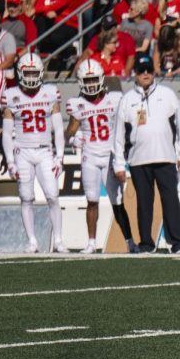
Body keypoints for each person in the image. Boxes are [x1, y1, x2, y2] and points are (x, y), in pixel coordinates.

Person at [112, 53, 180, 254]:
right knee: (144, 202)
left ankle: (178, 243)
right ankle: (146, 243)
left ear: (153, 72)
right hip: (138, 159)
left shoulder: (167, 94)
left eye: (148, 70)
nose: (145, 74)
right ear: (135, 73)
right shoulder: (127, 100)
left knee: (170, 199)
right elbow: (118, 135)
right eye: (140, 70)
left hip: (165, 156)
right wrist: (119, 165)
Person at [2, 51, 65, 253]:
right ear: (20, 74)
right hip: (22, 152)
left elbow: (58, 128)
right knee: (26, 197)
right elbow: (6, 132)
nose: (30, 78)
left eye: (33, 73)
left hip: (45, 150)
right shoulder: (11, 96)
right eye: (27, 74)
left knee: (53, 195)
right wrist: (10, 161)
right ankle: (32, 241)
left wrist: (60, 156)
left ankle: (58, 240)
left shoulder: (50, 92)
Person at [65, 58, 130, 253]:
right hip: (90, 157)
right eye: (88, 80)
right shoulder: (77, 104)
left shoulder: (115, 99)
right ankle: (91, 242)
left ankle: (129, 241)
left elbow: (124, 126)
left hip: (109, 156)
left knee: (117, 202)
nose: (91, 84)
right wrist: (73, 138)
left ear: (101, 78)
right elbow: (70, 131)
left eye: (94, 79)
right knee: (92, 200)